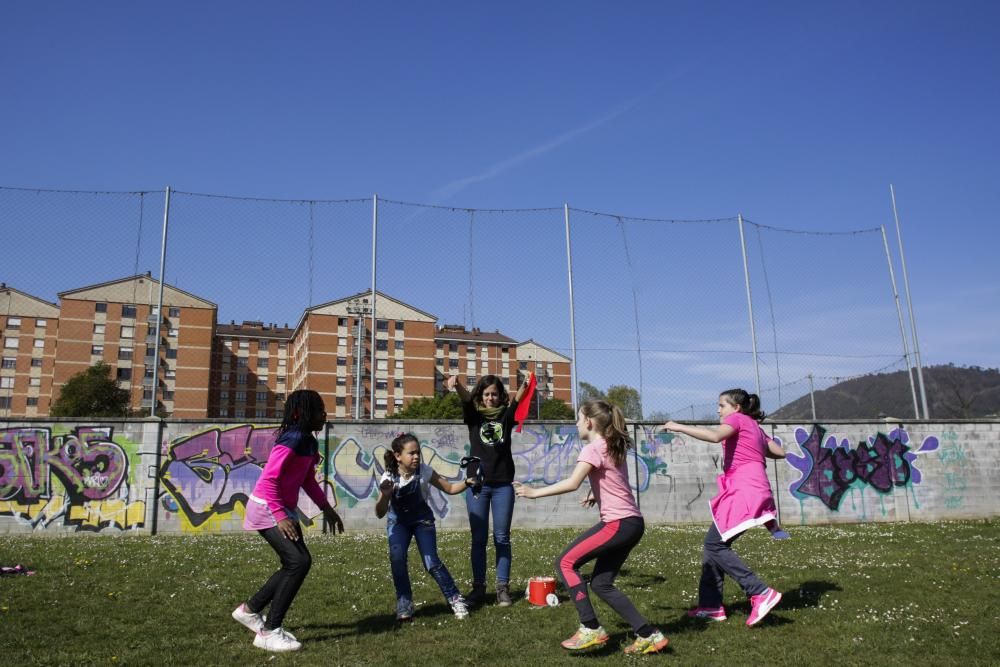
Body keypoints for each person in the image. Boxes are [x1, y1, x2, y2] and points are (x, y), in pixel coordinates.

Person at [514, 400, 669, 655]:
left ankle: (590, 627)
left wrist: (534, 492)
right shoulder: (611, 445)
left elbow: (572, 482)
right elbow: (614, 481)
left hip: (618, 524)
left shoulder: (592, 448)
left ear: (588, 422)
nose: (575, 423)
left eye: (577, 418)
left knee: (565, 563)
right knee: (601, 583)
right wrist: (595, 494)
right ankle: (648, 634)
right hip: (632, 523)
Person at [231, 389, 344, 652]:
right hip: (267, 508)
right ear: (300, 413)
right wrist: (281, 516)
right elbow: (270, 479)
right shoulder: (291, 439)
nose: (324, 414)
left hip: (283, 509)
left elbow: (306, 480)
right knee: (299, 561)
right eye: (318, 410)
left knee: (294, 563)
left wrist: (327, 508)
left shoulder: (309, 442)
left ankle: (249, 611)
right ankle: (269, 632)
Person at [663, 388, 786, 627]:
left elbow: (715, 437)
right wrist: (756, 442)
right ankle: (711, 606)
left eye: (722, 405)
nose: (718, 410)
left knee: (715, 544)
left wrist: (679, 427)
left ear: (736, 407)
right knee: (713, 547)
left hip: (744, 490)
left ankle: (760, 591)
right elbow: (780, 452)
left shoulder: (737, 419)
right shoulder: (753, 426)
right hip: (754, 488)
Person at [446, 371, 533, 607]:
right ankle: (478, 589)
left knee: (502, 538)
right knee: (478, 539)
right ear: (481, 396)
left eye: (494, 394)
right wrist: (457, 386)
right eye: (486, 394)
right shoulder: (474, 417)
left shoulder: (506, 416)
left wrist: (527, 383)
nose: (491, 398)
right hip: (477, 485)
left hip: (503, 484)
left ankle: (502, 589)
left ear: (500, 396)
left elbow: (518, 399)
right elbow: (466, 398)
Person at [375, 432, 475, 621]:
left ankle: (455, 599)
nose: (416, 457)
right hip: (398, 523)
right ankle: (404, 603)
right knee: (397, 560)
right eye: (411, 453)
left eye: (417, 453)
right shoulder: (388, 477)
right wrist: (385, 494)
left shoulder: (425, 471)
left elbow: (450, 489)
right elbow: (379, 512)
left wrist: (467, 482)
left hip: (422, 521)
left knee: (431, 562)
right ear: (398, 456)